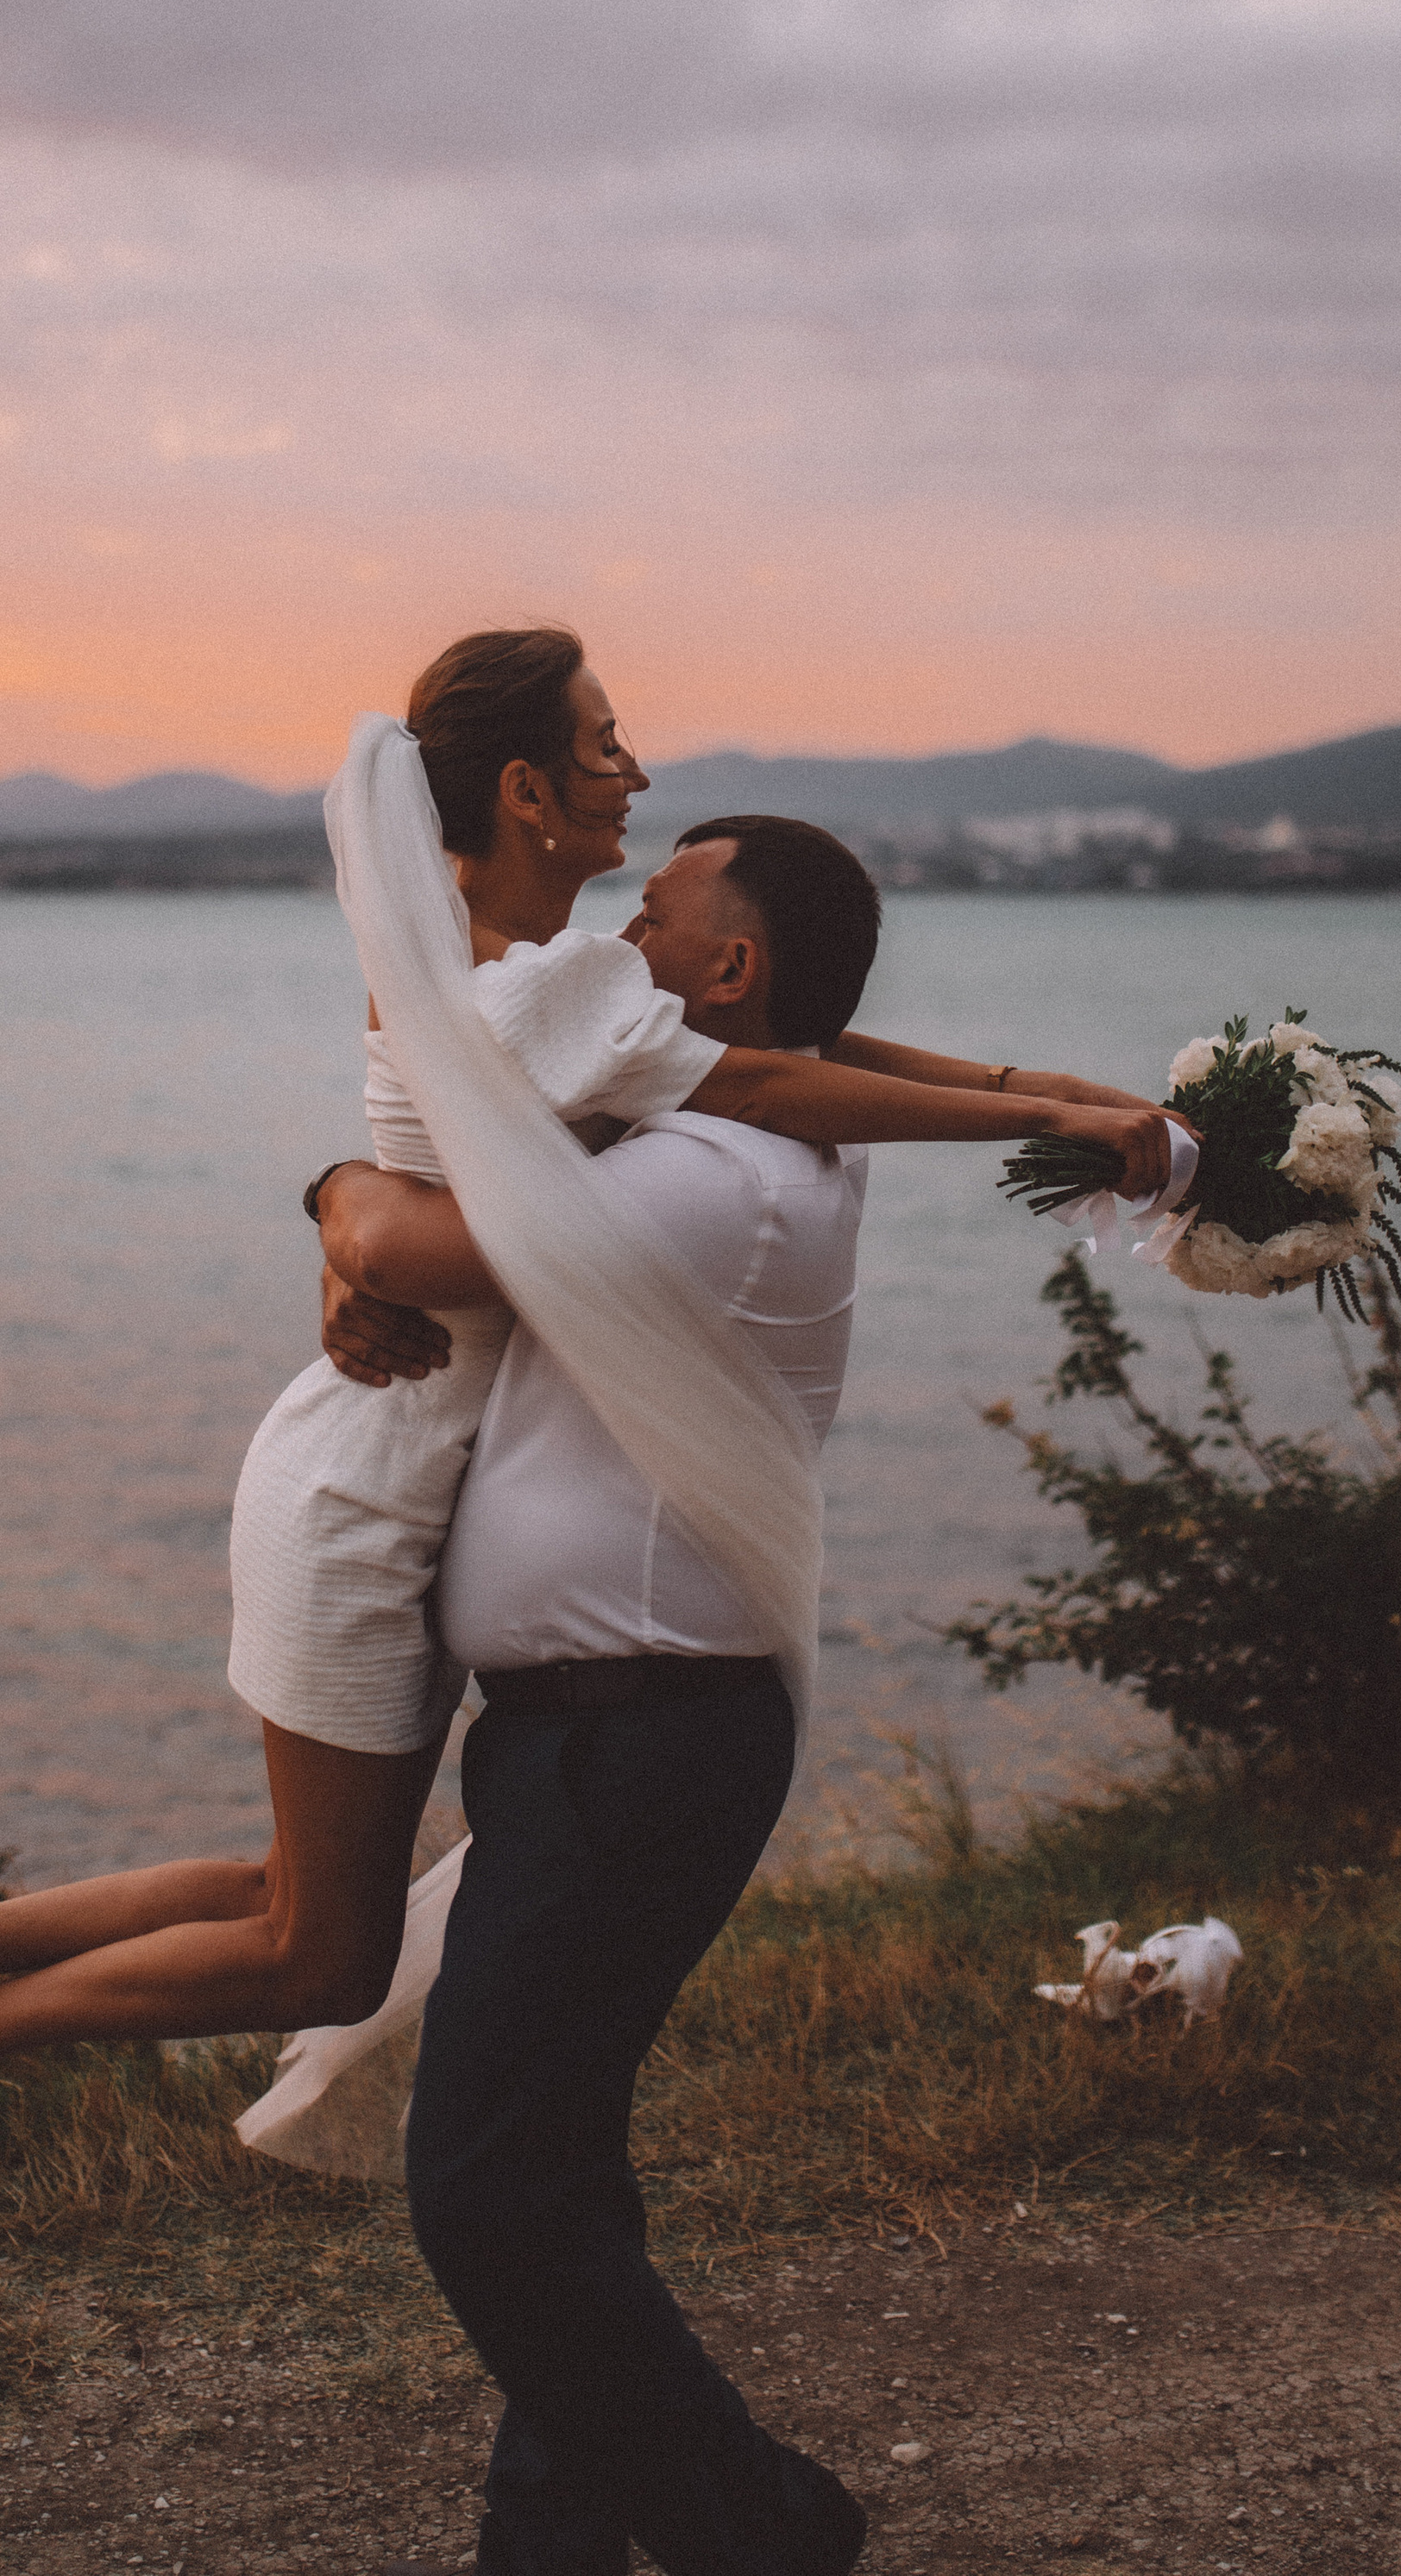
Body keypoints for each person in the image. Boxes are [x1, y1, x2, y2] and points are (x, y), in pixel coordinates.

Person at [0, 630, 1180, 2148]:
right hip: (368, 1484)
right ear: (533, 789)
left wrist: (1052, 1100)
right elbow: (757, 1079)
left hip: (415, 1474)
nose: (638, 772)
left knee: (302, 1899)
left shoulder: (547, 977)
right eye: (609, 746)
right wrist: (1042, 1111)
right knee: (326, 1952)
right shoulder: (532, 994)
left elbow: (785, 1037)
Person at [311, 814, 883, 2576]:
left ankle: (761, 2532)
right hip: (605, 1730)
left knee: (479, 2187)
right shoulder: (709, 1131)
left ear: (731, 971)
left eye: (654, 912)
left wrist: (329, 1203)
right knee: (549, 2161)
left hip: (642, 1735)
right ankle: (543, 2545)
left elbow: (425, 1233)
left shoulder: (719, 1181)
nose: (617, 931)